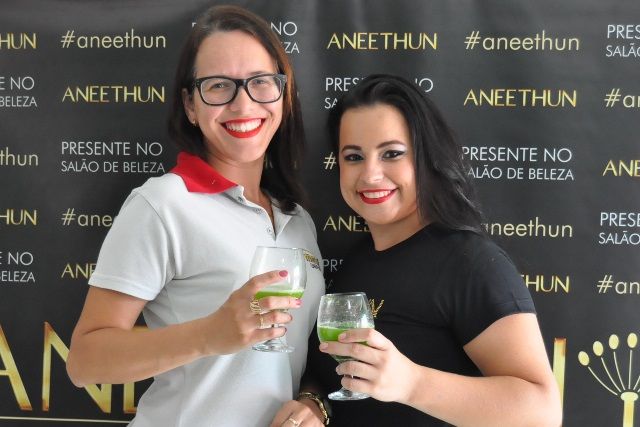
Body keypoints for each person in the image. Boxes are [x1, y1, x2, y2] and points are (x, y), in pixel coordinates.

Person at [65, 5, 324, 427]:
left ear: (283, 93)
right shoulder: (163, 204)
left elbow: (294, 358)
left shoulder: (298, 221)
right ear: (190, 105)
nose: (243, 103)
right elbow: (84, 361)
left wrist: (313, 402)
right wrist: (208, 334)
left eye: (261, 82)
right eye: (219, 86)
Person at [276, 74, 562, 426]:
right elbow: (336, 376)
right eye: (354, 157)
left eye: (392, 153)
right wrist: (314, 402)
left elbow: (542, 412)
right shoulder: (355, 263)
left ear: (426, 158)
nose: (370, 174)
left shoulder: (470, 263)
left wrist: (411, 383)